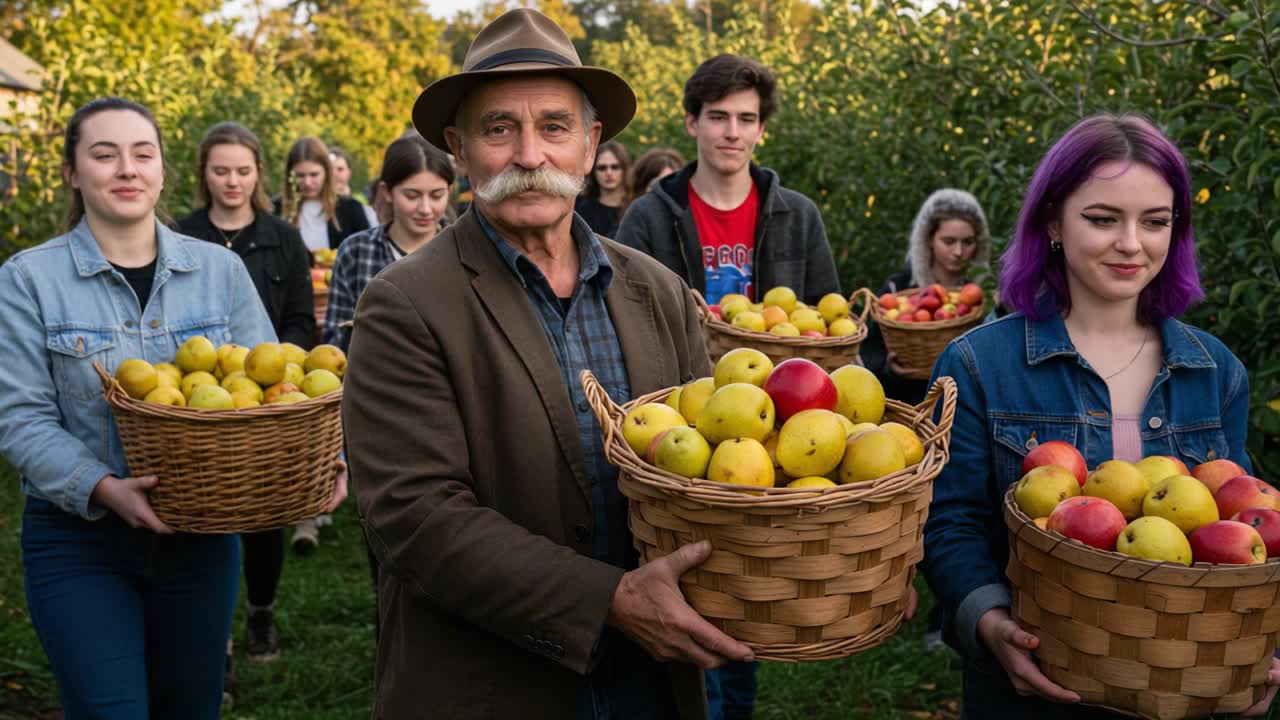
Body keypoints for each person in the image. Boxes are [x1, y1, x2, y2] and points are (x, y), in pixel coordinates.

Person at [342, 9, 753, 718]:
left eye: (555, 127)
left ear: (590, 145)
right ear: (459, 149)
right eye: (499, 128)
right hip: (491, 682)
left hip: (651, 681)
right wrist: (610, 602)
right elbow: (413, 515)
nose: (530, 153)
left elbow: (713, 467)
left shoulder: (655, 291)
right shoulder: (404, 305)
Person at [921, 113, 1280, 718]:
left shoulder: (1216, 372)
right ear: (1053, 221)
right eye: (1102, 218)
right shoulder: (978, 364)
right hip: (1034, 686)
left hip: (1180, 682)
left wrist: (1251, 652)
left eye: (1155, 222)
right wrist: (988, 621)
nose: (1132, 244)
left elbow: (1246, 531)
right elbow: (947, 523)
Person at [0, 97, 279, 718]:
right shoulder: (27, 280)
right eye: (104, 154)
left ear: (160, 169)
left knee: (191, 707)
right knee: (110, 709)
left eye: (142, 153)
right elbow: (18, 417)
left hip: (200, 540)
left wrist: (318, 461)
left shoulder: (220, 271)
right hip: (79, 541)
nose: (127, 168)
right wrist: (104, 486)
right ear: (72, 171)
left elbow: (274, 392)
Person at [175, 121, 316, 671]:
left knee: (261, 515)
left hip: (266, 397)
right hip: (196, 398)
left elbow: (302, 319)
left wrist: (278, 368)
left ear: (258, 173)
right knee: (204, 519)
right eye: (220, 170)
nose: (231, 181)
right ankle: (217, 638)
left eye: (242, 170)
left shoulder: (283, 238)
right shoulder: (181, 236)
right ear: (203, 175)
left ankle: (260, 610)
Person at [615, 54, 840, 306]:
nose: (732, 133)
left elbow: (826, 316)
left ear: (760, 130)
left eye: (746, 119)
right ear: (692, 123)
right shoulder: (647, 218)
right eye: (718, 117)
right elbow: (625, 316)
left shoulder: (800, 216)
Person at [861, 188, 991, 406]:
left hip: (963, 405)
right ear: (929, 239)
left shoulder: (981, 295)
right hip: (908, 407)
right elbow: (868, 352)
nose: (959, 251)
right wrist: (889, 368)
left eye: (968, 242)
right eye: (948, 241)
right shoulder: (899, 289)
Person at [324, 134, 453, 353]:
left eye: (436, 195)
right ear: (387, 192)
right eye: (412, 196)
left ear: (449, 192)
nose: (425, 208)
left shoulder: (463, 251)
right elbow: (333, 343)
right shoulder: (356, 252)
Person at [277, 137, 371, 252]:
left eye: (314, 174)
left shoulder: (350, 209)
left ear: (327, 172)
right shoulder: (276, 209)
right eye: (300, 176)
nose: (307, 182)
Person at [574, 140, 630, 236]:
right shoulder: (579, 206)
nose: (609, 173)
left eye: (615, 167)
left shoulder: (635, 204)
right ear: (593, 172)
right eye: (602, 168)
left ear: (624, 169)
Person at [329, 145, 380, 227]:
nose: (334, 174)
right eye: (330, 169)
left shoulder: (361, 202)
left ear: (349, 172)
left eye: (340, 169)